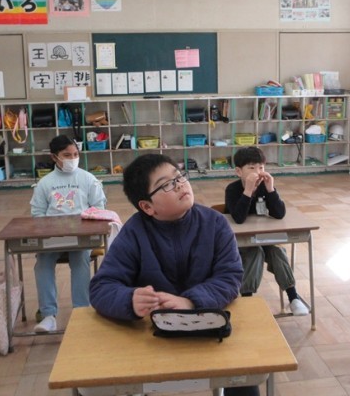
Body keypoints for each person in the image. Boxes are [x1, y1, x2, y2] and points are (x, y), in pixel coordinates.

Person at [89, 154, 258, 396]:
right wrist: (129, 300)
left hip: (208, 326)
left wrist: (190, 301)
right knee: (91, 384)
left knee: (245, 375)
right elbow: (101, 287)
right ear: (147, 207)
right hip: (150, 335)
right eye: (166, 184)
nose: (179, 184)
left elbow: (230, 277)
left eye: (179, 177)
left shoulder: (215, 224)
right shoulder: (134, 233)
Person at [30, 134, 107, 333]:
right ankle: (48, 315)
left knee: (80, 260)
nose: (72, 159)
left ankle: (80, 312)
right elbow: (37, 214)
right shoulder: (45, 183)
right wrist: (49, 230)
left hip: (80, 236)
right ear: (54, 157)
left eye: (75, 154)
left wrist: (86, 224)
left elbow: (98, 208)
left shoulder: (88, 179)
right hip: (52, 238)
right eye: (66, 155)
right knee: (42, 264)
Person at [225, 146, 308, 316]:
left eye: (261, 167)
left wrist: (271, 189)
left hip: (263, 237)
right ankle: (247, 298)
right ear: (239, 171)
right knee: (254, 252)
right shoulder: (232, 189)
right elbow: (238, 218)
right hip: (241, 243)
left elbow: (279, 214)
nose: (258, 172)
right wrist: (248, 191)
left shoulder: (265, 187)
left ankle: (293, 297)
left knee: (277, 251)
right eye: (252, 168)